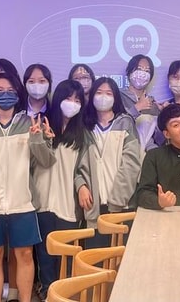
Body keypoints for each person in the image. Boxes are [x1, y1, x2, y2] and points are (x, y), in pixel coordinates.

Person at [0, 72, 55, 302]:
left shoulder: (30, 123)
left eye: (10, 90)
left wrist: (38, 139)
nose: (5, 94)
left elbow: (46, 161)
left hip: (22, 203)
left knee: (24, 254)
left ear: (18, 93)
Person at [32, 80, 87, 299]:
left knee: (67, 254)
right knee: (44, 253)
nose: (72, 103)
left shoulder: (83, 133)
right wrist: (41, 138)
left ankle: (66, 293)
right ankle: (48, 291)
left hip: (68, 202)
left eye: (77, 100)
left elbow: (83, 168)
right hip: (42, 199)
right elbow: (34, 161)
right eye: (68, 98)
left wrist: (81, 186)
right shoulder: (41, 124)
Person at [75, 77, 141, 240]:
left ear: (115, 97)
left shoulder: (125, 123)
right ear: (91, 96)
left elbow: (131, 165)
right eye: (99, 92)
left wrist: (117, 202)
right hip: (93, 207)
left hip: (122, 206)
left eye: (108, 93)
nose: (103, 97)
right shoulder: (84, 126)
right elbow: (75, 163)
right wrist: (80, 185)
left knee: (121, 254)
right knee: (95, 254)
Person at [119, 55, 160, 153]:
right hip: (122, 151)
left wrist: (164, 117)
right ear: (129, 72)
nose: (142, 73)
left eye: (147, 71)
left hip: (147, 154)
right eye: (139, 69)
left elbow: (159, 139)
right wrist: (136, 108)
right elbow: (116, 127)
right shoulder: (118, 97)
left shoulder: (153, 104)